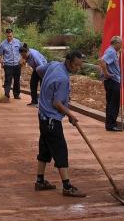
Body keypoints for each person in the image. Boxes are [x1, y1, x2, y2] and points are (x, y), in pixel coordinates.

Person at [34, 51, 87, 197]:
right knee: (60, 151)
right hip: (51, 119)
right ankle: (67, 186)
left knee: (45, 149)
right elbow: (57, 103)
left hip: (43, 116)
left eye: (80, 66)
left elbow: (38, 70)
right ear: (68, 62)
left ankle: (40, 181)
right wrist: (70, 115)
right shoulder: (62, 78)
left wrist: (48, 87)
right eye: (76, 65)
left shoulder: (54, 65)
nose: (78, 68)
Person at [98, 35, 123, 132]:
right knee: (114, 103)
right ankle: (111, 125)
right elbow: (102, 61)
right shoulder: (111, 52)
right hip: (113, 80)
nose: (121, 46)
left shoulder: (111, 51)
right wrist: (106, 73)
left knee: (110, 102)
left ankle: (109, 124)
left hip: (111, 80)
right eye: (120, 44)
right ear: (116, 43)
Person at [0, 28, 23, 100]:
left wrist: (22, 60)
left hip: (17, 65)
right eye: (8, 36)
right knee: (8, 80)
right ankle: (6, 94)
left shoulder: (18, 42)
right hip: (8, 65)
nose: (9, 37)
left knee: (17, 80)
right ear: (6, 35)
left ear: (12, 34)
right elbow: (0, 54)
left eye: (10, 36)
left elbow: (22, 51)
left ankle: (16, 94)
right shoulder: (3, 44)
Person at [20, 42, 48, 107]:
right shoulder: (25, 55)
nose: (23, 57)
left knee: (42, 86)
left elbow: (41, 66)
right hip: (36, 68)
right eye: (22, 55)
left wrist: (42, 76)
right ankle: (34, 102)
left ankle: (43, 104)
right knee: (33, 84)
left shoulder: (34, 55)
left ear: (27, 52)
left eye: (24, 55)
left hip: (43, 69)